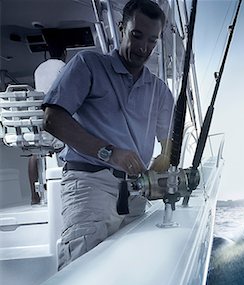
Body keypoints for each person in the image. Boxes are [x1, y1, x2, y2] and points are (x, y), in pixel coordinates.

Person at [43, 0, 174, 270]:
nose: (143, 48)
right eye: (136, 35)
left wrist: (164, 160)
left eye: (152, 41)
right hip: (90, 186)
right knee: (80, 275)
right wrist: (110, 152)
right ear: (121, 27)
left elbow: (168, 141)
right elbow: (52, 119)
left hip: (136, 193)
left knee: (129, 275)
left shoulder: (159, 90)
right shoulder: (88, 65)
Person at [29, 32, 67, 204]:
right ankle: (67, 191)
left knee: (34, 154)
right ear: (64, 52)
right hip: (56, 125)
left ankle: (33, 195)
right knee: (72, 144)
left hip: (38, 126)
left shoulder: (39, 69)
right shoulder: (63, 66)